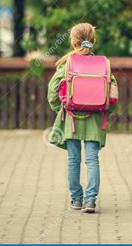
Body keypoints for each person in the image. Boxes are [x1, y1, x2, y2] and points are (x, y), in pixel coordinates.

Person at [47, 22, 118, 214]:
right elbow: (113, 94)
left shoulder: (67, 65)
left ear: (73, 41)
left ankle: (76, 199)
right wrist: (104, 112)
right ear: (92, 40)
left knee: (73, 160)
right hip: (94, 120)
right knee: (92, 160)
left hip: (71, 120)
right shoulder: (103, 64)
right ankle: (90, 201)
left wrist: (61, 110)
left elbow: (52, 93)